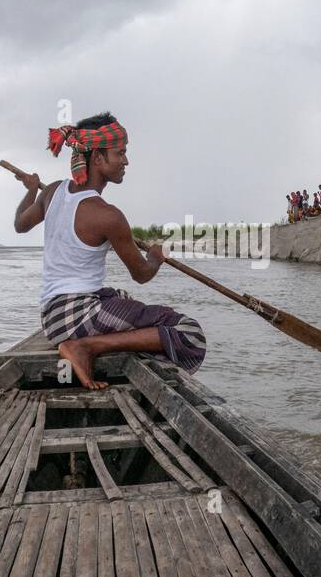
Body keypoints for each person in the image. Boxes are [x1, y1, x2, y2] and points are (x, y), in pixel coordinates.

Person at [13, 111, 206, 389]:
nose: (126, 161)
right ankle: (85, 348)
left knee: (120, 296)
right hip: (74, 319)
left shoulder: (52, 191)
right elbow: (141, 274)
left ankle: (86, 344)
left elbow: (20, 224)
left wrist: (32, 190)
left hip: (51, 315)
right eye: (120, 153)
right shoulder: (109, 216)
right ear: (98, 159)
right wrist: (154, 257)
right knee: (190, 333)